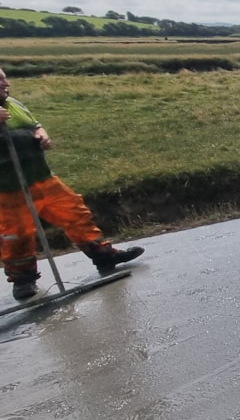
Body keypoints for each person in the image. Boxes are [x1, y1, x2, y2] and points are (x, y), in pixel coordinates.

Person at [0, 67, 144, 300]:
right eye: (0, 81)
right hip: (8, 189)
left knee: (75, 213)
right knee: (17, 233)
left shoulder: (14, 104)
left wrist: (41, 134)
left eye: (5, 80)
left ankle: (104, 255)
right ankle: (23, 280)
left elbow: (35, 124)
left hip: (42, 178)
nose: (6, 85)